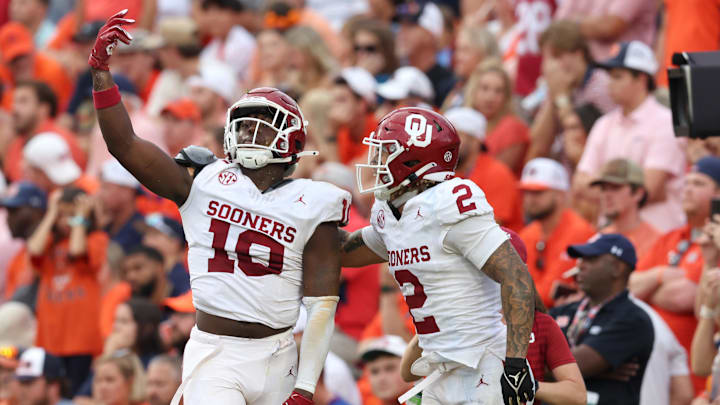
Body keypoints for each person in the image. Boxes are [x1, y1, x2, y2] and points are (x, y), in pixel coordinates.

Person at [90, 11, 350, 405]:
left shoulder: (315, 202)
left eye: (261, 125)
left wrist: (306, 387)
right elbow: (124, 145)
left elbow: (320, 306)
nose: (248, 133)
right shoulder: (202, 180)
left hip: (280, 353)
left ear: (290, 138)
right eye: (244, 125)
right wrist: (100, 75)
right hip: (217, 350)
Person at [342, 107, 537, 404]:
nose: (376, 162)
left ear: (415, 159)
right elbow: (344, 253)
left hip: (482, 363)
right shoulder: (390, 211)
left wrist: (515, 363)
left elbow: (516, 275)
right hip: (438, 367)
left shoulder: (448, 202)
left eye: (386, 152)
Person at [400, 227, 586, 405]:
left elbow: (577, 395)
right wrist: (437, 322)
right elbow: (408, 373)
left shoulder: (541, 324)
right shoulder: (455, 316)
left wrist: (527, 385)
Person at [574, 40, 686, 233]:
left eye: (618, 77)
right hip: (611, 234)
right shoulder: (604, 124)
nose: (610, 84)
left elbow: (649, 189)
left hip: (659, 234)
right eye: (610, 77)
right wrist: (623, 190)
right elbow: (579, 184)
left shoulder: (665, 121)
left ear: (641, 79)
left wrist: (601, 185)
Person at [631, 156, 720, 393]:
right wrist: (661, 274)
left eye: (699, 184)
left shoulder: (716, 243)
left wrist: (649, 290)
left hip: (696, 375)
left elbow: (687, 297)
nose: (688, 189)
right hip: (654, 367)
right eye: (687, 182)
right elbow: (629, 287)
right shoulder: (671, 236)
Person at [550, 234, 655, 405]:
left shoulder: (634, 319)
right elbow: (529, 356)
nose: (580, 265)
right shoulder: (563, 310)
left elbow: (575, 366)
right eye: (581, 259)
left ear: (616, 268)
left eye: (590, 259)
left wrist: (568, 368)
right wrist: (596, 371)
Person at [26, 186, 108, 396]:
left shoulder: (96, 239)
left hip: (80, 339)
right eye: (62, 215)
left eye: (71, 215)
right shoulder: (49, 243)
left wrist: (80, 219)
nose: (66, 221)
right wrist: (51, 213)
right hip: (49, 337)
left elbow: (76, 250)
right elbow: (33, 249)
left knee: (73, 394)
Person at [518, 158, 595, 307]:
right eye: (526, 192)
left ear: (560, 195)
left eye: (538, 193)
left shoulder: (580, 232)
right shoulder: (527, 234)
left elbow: (549, 294)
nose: (529, 199)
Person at [444, 107, 523, 231]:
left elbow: (489, 227)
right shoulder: (444, 171)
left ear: (475, 140)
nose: (445, 142)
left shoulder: (496, 173)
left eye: (453, 136)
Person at [464, 61, 529, 175]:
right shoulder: (463, 122)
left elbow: (495, 174)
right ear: (473, 91)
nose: (490, 97)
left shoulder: (513, 128)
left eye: (498, 91)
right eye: (484, 88)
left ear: (506, 97)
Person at [592, 158, 661, 258]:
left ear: (638, 193)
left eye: (615, 187)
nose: (607, 195)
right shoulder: (598, 238)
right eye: (603, 188)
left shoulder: (655, 242)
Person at [394, 1, 455, 107]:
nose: (401, 31)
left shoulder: (448, 85)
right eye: (401, 25)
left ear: (430, 34)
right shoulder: (396, 73)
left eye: (410, 26)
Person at [1, 182, 47, 300]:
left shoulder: (51, 250)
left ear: (37, 211)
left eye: (14, 211)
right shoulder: (18, 258)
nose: (8, 218)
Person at [97, 159, 144, 253]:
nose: (99, 194)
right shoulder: (106, 222)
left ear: (127, 192)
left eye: (105, 188)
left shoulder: (140, 231)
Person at [142, 213, 191, 297]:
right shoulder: (156, 276)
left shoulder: (182, 279)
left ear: (174, 241)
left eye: (154, 235)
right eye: (145, 235)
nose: (146, 240)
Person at [357, 336, 413, 405]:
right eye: (374, 371)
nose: (381, 378)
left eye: (390, 369)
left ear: (410, 368)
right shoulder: (361, 397)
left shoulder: (426, 398)